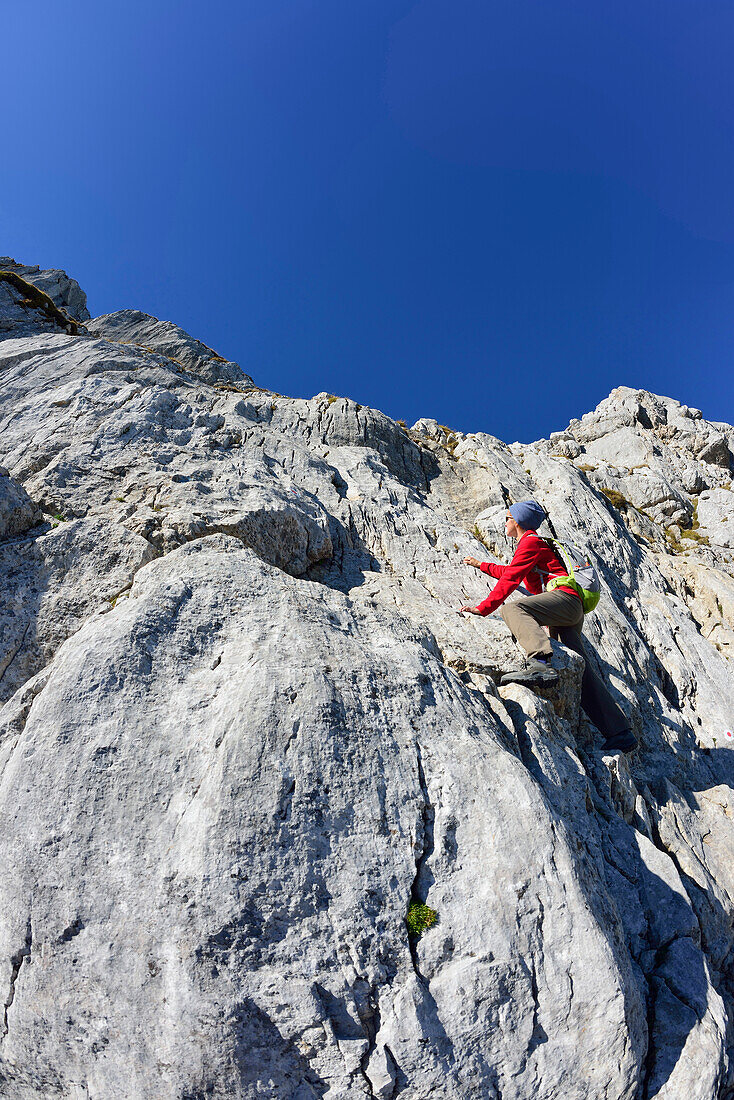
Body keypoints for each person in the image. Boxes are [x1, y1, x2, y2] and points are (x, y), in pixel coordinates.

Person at [460, 499, 637, 754]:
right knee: (580, 670)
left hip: (564, 602)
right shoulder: (531, 545)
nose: (505, 521)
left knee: (512, 608)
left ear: (518, 522)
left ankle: (540, 664)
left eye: (508, 517)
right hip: (569, 609)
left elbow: (511, 578)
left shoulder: (530, 541)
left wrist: (483, 608)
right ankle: (620, 733)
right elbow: (511, 571)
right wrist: (481, 565)